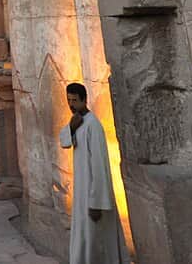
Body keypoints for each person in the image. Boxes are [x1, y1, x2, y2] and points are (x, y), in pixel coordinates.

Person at [58, 82, 129, 264]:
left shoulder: (93, 125)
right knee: (85, 240)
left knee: (97, 242)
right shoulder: (78, 122)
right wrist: (72, 127)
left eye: (74, 100)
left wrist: (96, 203)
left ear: (84, 100)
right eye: (69, 100)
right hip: (82, 194)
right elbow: (64, 141)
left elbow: (99, 165)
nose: (71, 104)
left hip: (93, 197)